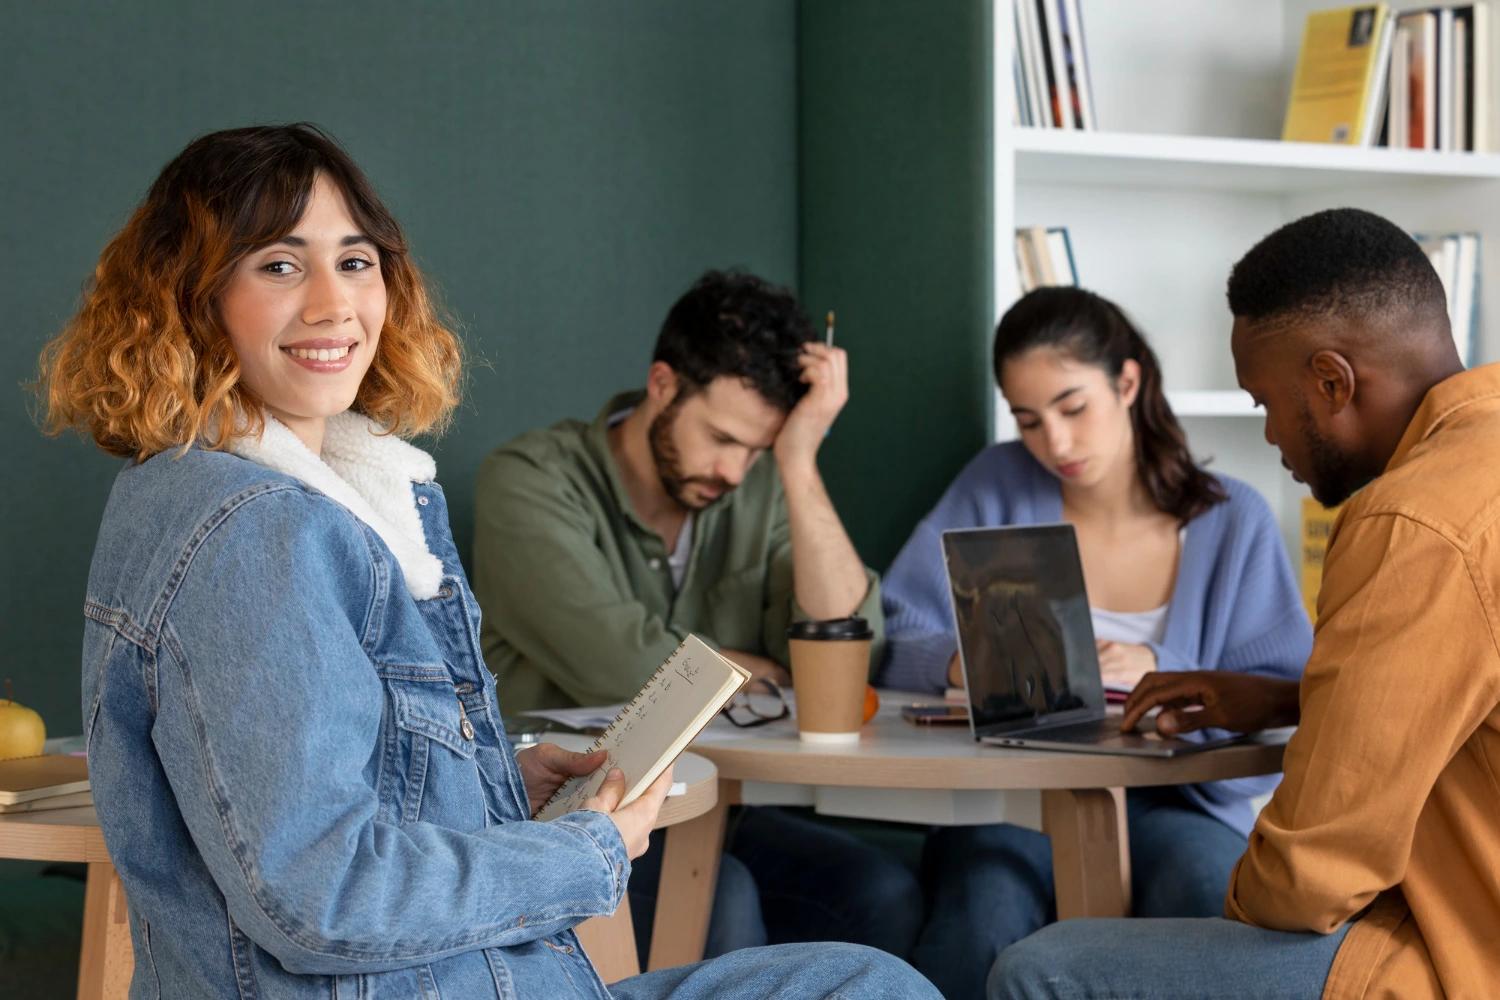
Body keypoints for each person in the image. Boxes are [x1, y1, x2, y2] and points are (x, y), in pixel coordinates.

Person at [38, 123, 938, 1000]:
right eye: (279, 265)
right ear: (191, 295)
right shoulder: (258, 529)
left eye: (355, 261)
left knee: (862, 979)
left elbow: (326, 783)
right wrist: (581, 851)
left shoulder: (273, 495)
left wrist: (503, 775)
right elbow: (322, 896)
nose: (331, 302)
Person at [991, 208, 1500, 1000]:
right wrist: (1298, 699)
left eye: (1265, 402)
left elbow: (1313, 873)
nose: (1266, 435)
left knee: (1041, 967)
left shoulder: (1412, 523)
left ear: (1333, 381)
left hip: (1466, 958)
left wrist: (1218, 922)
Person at [472, 269, 924, 961]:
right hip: (568, 816)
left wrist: (799, 463)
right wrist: (754, 668)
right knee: (723, 893)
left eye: (758, 448)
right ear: (662, 385)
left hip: (713, 809)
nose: (737, 471)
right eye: (721, 437)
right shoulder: (530, 480)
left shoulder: (766, 485)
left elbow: (844, 650)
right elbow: (618, 666)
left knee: (879, 890)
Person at [880, 286, 1311, 998]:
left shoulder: (1234, 520)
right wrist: (968, 661)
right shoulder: (995, 486)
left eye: (1072, 408)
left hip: (1181, 802)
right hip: (1012, 796)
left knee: (1210, 896)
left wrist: (1165, 671)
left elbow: (1293, 700)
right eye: (1028, 420)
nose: (1055, 444)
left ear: (1128, 381)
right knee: (983, 908)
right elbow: (896, 634)